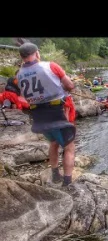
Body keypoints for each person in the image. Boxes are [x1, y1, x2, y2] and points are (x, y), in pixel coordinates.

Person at [16, 42, 76, 187]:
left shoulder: (19, 74)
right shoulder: (50, 66)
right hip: (57, 112)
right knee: (69, 147)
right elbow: (70, 86)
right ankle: (67, 182)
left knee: (53, 143)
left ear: (22, 57)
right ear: (37, 53)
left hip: (38, 116)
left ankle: (55, 174)